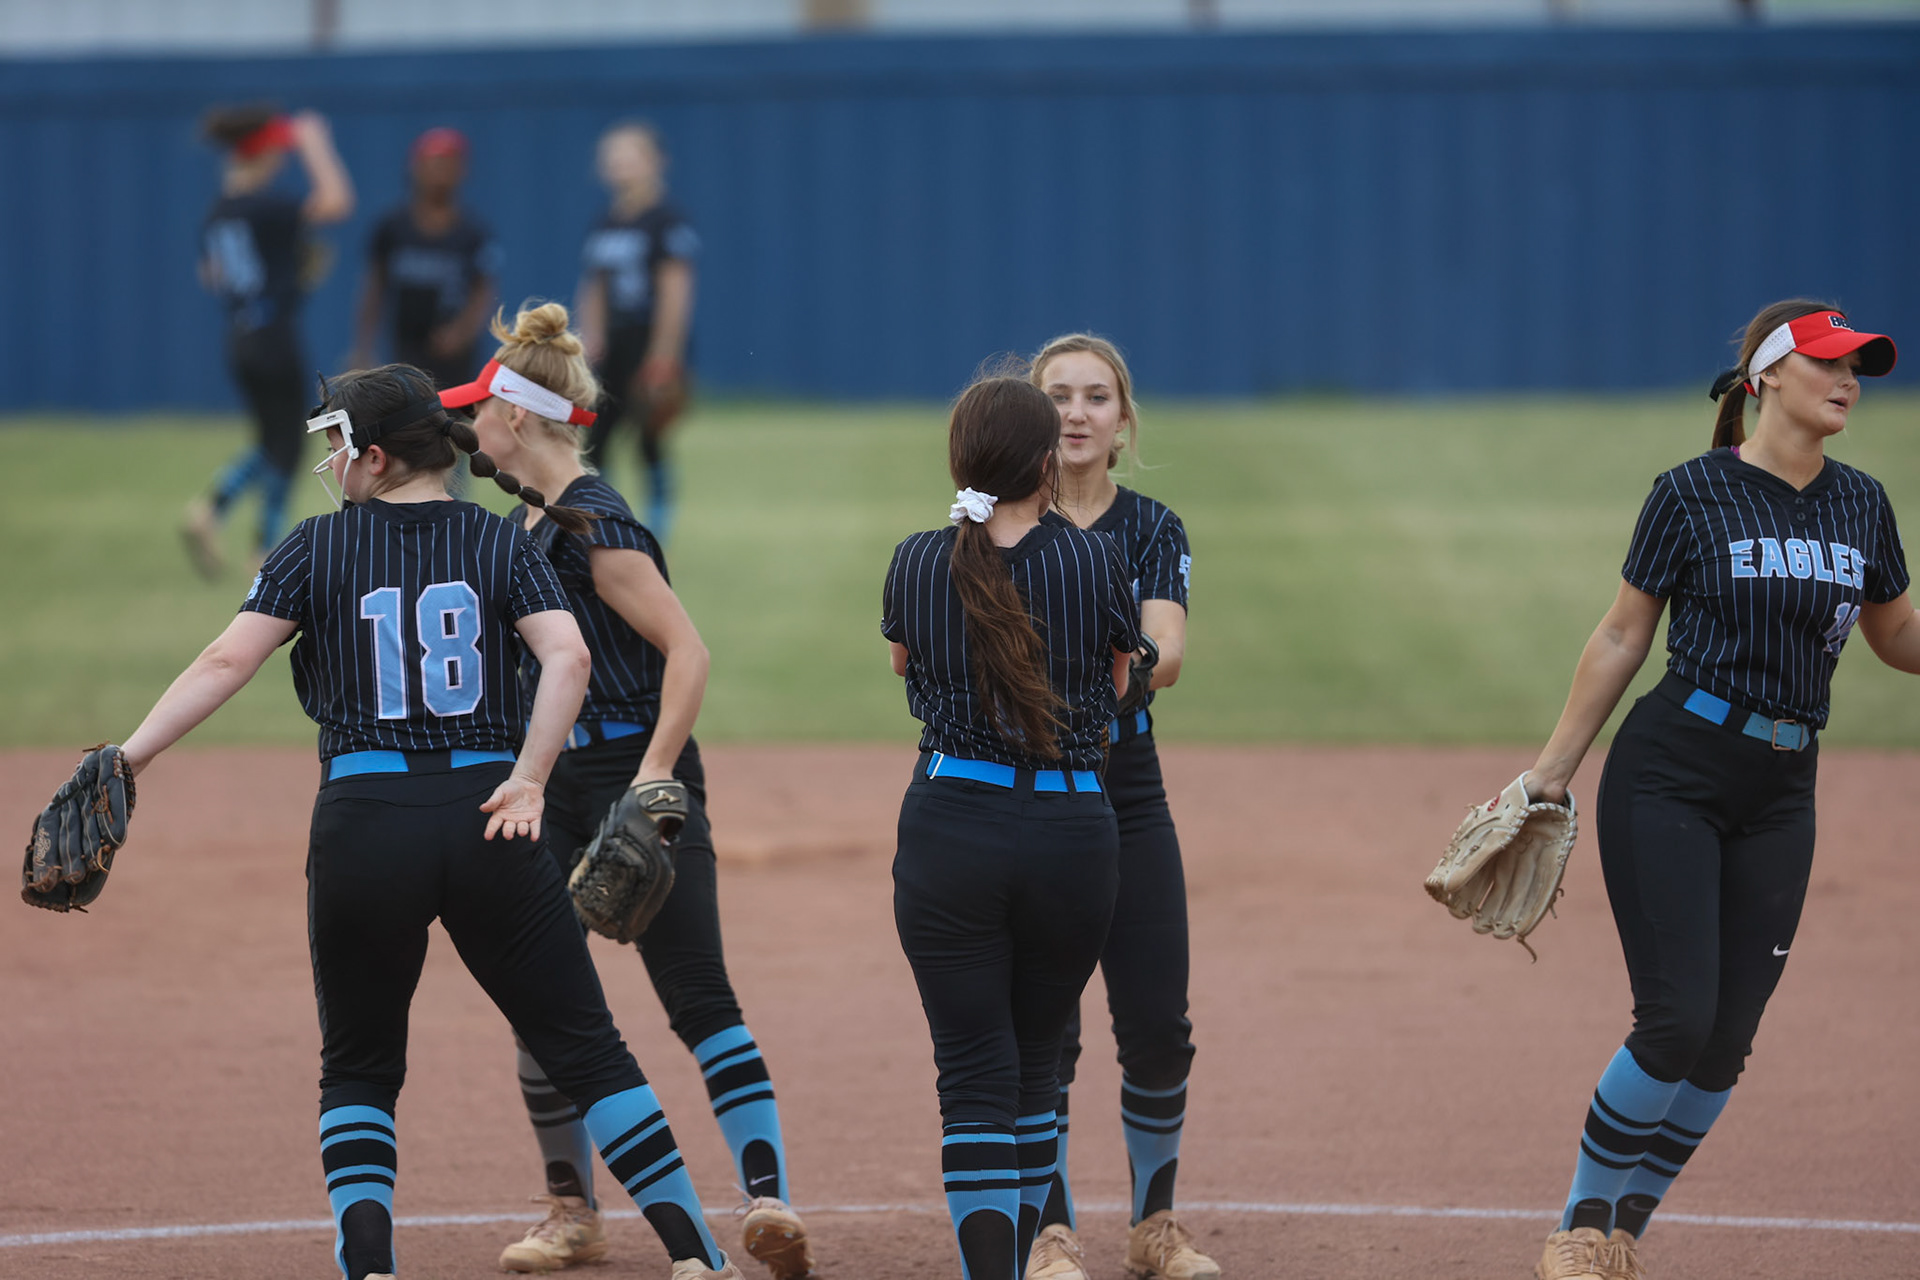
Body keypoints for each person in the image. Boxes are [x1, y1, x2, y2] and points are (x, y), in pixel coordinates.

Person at [117, 362, 743, 1280]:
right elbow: (567, 659)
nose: (332, 461)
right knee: (588, 1048)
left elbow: (222, 663)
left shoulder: (314, 547)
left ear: (375, 456)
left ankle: (370, 1265)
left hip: (364, 821)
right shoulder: (499, 543)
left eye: (339, 444)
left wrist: (126, 760)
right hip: (488, 818)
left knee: (362, 1064)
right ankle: (695, 1254)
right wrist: (531, 778)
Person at [1518, 301, 1909, 1280]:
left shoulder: (1863, 502)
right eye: (1828, 362)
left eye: (1858, 366)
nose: (1848, 378)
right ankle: (1577, 1221)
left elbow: (1897, 636)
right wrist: (1549, 773)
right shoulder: (1692, 493)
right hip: (1672, 771)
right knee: (1677, 1016)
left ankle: (1621, 1238)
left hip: (1784, 786)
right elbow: (1621, 634)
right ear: (1767, 375)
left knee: (1727, 1040)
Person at [441, 302, 813, 1279]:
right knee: (543, 997)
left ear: (517, 418)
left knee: (696, 991)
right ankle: (573, 1211)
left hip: (631, 771)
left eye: (479, 407)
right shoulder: (513, 525)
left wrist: (651, 779)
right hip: (552, 783)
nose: (470, 424)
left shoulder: (595, 523)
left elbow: (687, 652)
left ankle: (769, 1196)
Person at [882, 374, 1142, 1280]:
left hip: (952, 822)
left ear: (961, 460)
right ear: (1045, 462)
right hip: (1074, 830)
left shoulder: (918, 558)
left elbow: (902, 663)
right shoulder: (1091, 560)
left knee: (971, 1077)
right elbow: (1122, 681)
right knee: (1039, 1063)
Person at [1019, 335, 1214, 1280]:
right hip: (1031, 793)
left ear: (1124, 421)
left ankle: (1155, 1226)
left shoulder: (1151, 528)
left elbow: (1168, 651)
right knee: (1045, 1028)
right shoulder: (992, 523)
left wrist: (1106, 663)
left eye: (1098, 397)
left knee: (1157, 1021)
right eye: (1058, 395)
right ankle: (1050, 1230)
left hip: (1127, 791)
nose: (1077, 413)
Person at [183, 103, 353, 578]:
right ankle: (263, 549)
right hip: (275, 336)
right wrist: (314, 142)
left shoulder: (221, 211)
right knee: (289, 446)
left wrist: (281, 271)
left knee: (272, 440)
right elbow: (337, 201)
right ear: (264, 155)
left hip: (239, 336)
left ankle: (212, 509)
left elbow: (211, 274)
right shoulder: (269, 205)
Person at [577, 120, 699, 539]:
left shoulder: (664, 220)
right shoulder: (606, 221)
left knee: (649, 432)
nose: (620, 165)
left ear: (655, 162)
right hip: (613, 341)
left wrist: (664, 353)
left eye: (630, 156)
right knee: (599, 432)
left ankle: (659, 517)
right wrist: (588, 335)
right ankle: (604, 515)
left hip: (650, 338)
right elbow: (593, 286)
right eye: (612, 157)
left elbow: (675, 288)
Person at [351, 127, 499, 391]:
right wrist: (364, 347)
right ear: (416, 167)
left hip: (454, 352)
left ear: (462, 170)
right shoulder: (393, 227)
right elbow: (374, 288)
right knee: (407, 418)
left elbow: (483, 291)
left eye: (449, 163)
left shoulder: (472, 232)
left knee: (452, 421)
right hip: (405, 346)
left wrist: (461, 333)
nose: (441, 171)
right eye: (434, 163)